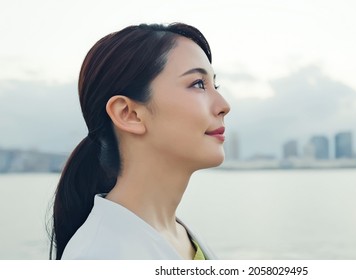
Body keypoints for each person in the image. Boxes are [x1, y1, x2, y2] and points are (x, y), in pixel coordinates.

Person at [50, 23, 230, 260]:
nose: (224, 106)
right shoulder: (98, 257)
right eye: (198, 84)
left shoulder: (181, 237)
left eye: (214, 85)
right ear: (129, 114)